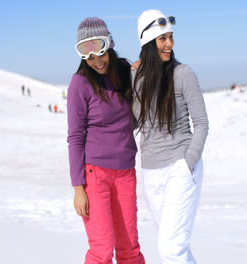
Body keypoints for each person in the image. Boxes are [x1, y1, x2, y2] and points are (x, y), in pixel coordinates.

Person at [132, 10, 209, 264]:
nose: (169, 44)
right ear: (148, 43)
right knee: (177, 248)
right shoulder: (138, 79)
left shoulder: (183, 74)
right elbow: (133, 120)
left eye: (171, 37)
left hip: (180, 167)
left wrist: (188, 163)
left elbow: (201, 123)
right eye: (162, 39)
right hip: (151, 172)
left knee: (170, 249)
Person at [67, 17, 145, 264]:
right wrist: (79, 188)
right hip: (95, 175)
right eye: (89, 57)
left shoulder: (123, 70)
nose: (97, 61)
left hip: (125, 172)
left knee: (129, 248)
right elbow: (75, 137)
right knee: (101, 250)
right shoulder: (80, 84)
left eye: (100, 53)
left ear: (109, 45)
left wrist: (147, 68)